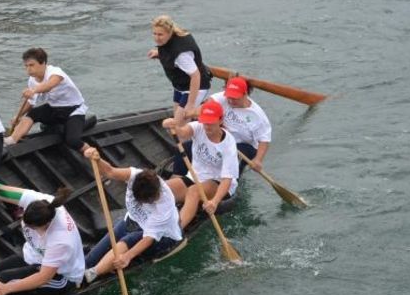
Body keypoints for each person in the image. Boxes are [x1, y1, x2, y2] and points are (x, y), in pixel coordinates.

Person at [81, 147, 183, 283]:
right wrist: (97, 159)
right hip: (132, 222)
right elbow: (110, 171)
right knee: (90, 259)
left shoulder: (164, 206)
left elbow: (148, 239)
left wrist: (127, 256)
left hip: (163, 237)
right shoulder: (135, 176)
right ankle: (88, 267)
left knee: (127, 241)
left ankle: (91, 274)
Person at [172, 76, 272, 175]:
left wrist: (258, 160)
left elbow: (264, 140)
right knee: (184, 148)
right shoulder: (222, 97)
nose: (231, 101)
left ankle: (228, 184)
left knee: (231, 158)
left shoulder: (257, 115)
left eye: (235, 98)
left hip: (244, 145)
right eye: (229, 97)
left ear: (245, 94)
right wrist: (192, 113)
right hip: (220, 136)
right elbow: (205, 107)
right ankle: (178, 177)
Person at [163, 100, 239, 229]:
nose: (207, 126)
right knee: (163, 188)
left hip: (218, 182)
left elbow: (227, 179)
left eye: (211, 122)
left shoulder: (229, 144)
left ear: (220, 120)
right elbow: (182, 132)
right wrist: (171, 125)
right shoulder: (198, 127)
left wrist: (214, 202)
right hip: (195, 176)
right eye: (205, 122)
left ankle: (176, 230)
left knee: (194, 191)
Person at [3, 48, 88, 151]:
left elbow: (49, 85)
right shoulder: (32, 80)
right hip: (54, 109)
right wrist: (18, 116)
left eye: (31, 65)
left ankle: (97, 158)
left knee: (73, 141)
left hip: (74, 111)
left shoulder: (55, 72)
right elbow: (30, 102)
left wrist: (33, 90)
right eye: (26, 66)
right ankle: (12, 139)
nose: (28, 69)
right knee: (33, 113)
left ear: (43, 63)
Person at [147, 15, 212, 121]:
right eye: (154, 33)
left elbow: (195, 75)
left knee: (179, 123)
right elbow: (169, 52)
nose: (157, 37)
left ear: (169, 33)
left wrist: (191, 104)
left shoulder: (181, 55)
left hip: (195, 88)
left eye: (160, 34)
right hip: (180, 86)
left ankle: (201, 118)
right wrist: (158, 53)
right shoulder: (172, 38)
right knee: (178, 119)